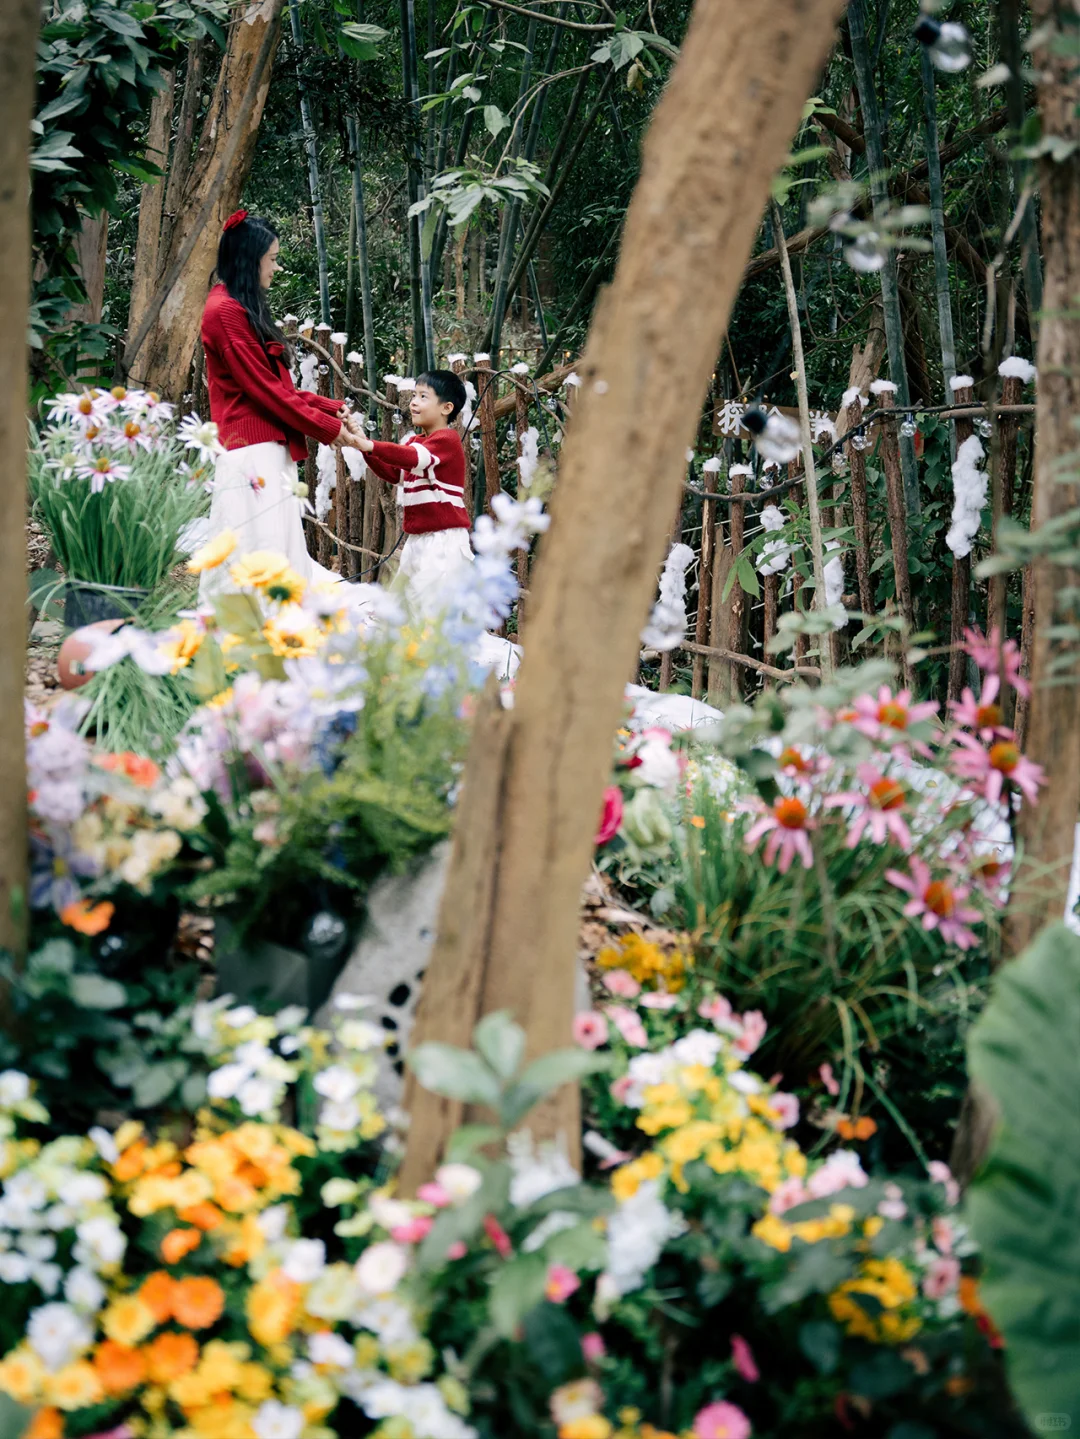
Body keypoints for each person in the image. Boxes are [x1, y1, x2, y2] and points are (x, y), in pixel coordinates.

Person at [197, 209, 362, 597]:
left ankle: (276, 635)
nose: (276, 267)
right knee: (259, 560)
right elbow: (266, 392)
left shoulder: (237, 306)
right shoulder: (224, 312)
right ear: (249, 260)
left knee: (274, 557)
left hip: (265, 452)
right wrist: (331, 430)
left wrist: (329, 408)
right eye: (271, 259)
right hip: (251, 454)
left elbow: (273, 387)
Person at [346, 370, 474, 617]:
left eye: (423, 396)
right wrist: (363, 445)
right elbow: (395, 473)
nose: (413, 402)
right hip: (417, 540)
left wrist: (370, 445)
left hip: (442, 541)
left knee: (430, 612)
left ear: (446, 408)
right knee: (399, 609)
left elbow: (411, 458)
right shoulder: (417, 442)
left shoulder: (447, 440)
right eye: (414, 395)